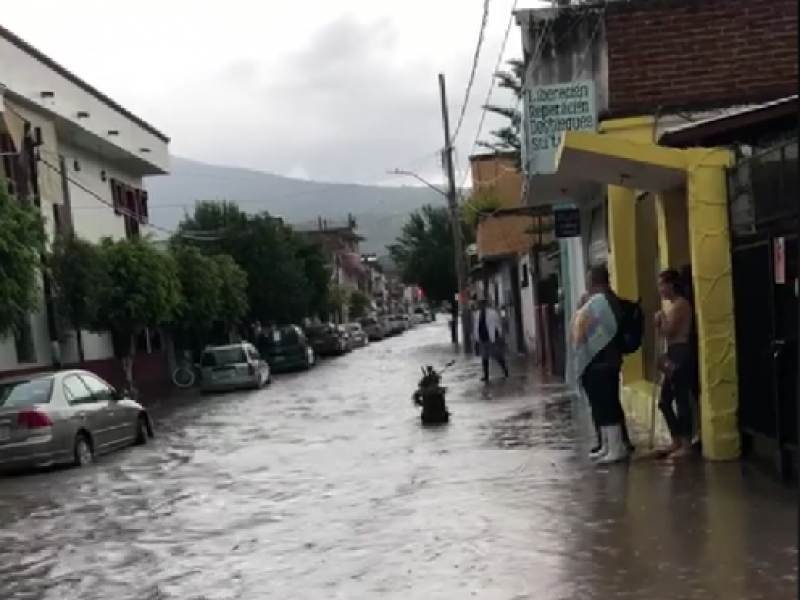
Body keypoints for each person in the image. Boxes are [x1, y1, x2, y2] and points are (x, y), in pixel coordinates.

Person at [573, 265, 629, 464]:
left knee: (608, 404)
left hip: (604, 361)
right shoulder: (600, 302)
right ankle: (608, 445)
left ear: (595, 280)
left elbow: (599, 327)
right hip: (599, 361)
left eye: (589, 280)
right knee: (600, 405)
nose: (587, 284)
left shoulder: (603, 302)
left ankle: (616, 447)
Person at [655, 268, 695, 459]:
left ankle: (685, 443)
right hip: (673, 351)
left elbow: (669, 331)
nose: (660, 289)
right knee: (664, 401)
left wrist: (661, 318)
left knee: (680, 398)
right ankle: (677, 439)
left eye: (662, 284)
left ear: (672, 285)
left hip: (680, 353)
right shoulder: (673, 306)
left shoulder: (680, 305)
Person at [473, 298, 509, 382]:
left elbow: (497, 324)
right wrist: (476, 337)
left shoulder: (492, 313)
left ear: (485, 305)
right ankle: (486, 375)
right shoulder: (477, 314)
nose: (480, 306)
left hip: (492, 338)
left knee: (497, 356)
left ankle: (505, 371)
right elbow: (476, 326)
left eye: (482, 305)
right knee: (484, 357)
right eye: (479, 305)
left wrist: (499, 335)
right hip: (483, 338)